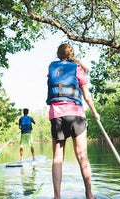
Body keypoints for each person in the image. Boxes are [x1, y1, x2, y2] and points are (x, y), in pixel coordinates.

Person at [46, 43, 100, 199]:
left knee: (57, 157)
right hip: (76, 115)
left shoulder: (52, 67)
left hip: (57, 115)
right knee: (82, 156)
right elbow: (87, 96)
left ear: (58, 54)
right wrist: (95, 112)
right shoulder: (78, 69)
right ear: (72, 53)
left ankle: (57, 197)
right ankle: (89, 195)